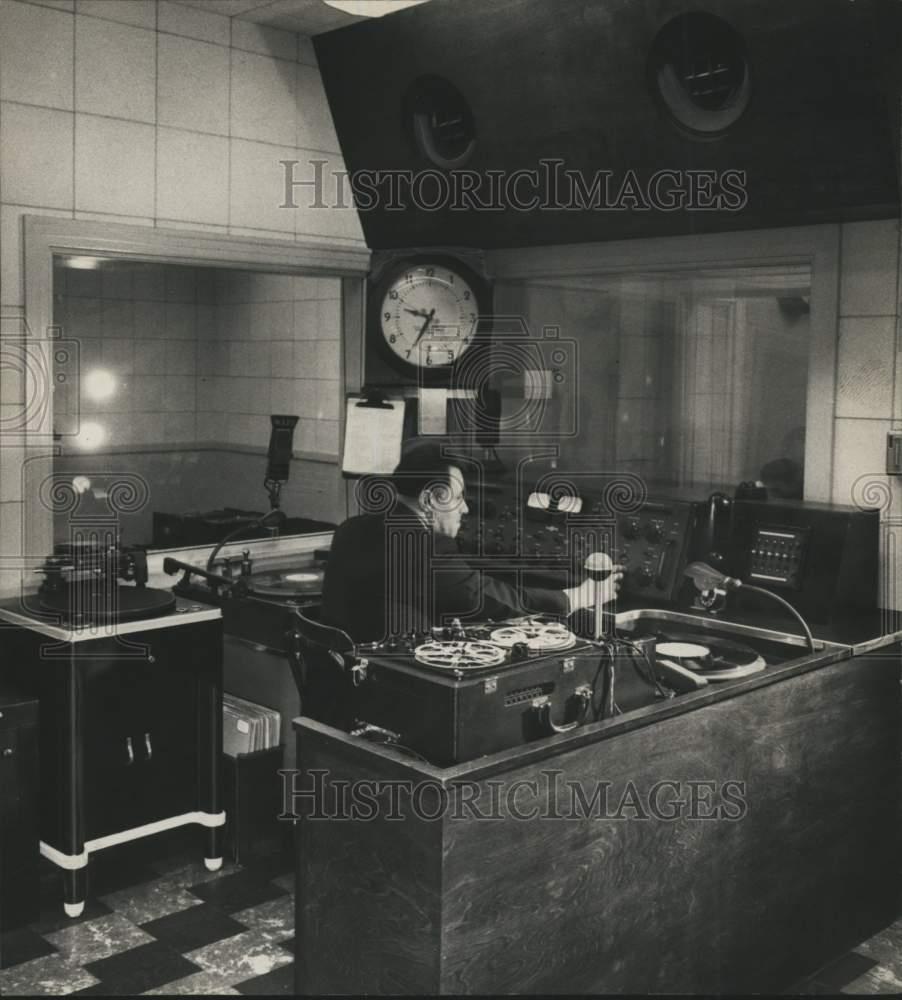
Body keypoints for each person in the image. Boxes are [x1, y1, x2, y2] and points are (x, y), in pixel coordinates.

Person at [321, 439, 624, 642]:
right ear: (430, 498)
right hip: (395, 689)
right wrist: (580, 596)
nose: (465, 508)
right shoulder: (422, 546)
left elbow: (451, 591)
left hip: (347, 684)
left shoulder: (351, 529)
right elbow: (482, 596)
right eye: (457, 497)